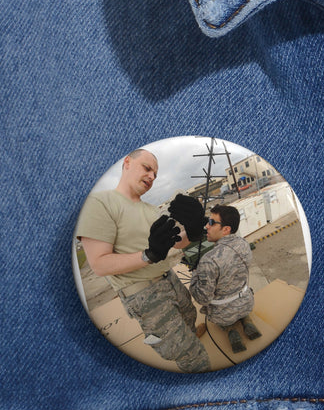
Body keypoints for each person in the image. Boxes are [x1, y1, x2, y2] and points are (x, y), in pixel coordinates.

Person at [75, 149, 211, 373]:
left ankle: (189, 337)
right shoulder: (100, 203)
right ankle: (191, 359)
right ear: (127, 162)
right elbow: (99, 264)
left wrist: (194, 230)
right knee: (192, 357)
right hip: (144, 295)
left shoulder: (149, 209)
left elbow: (175, 243)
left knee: (188, 317)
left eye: (155, 174)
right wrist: (149, 255)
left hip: (170, 280)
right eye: (147, 168)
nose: (151, 177)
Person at [189, 204, 261, 354]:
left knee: (224, 317)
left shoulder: (208, 260)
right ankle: (246, 321)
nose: (206, 226)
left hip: (222, 315)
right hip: (247, 303)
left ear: (226, 229)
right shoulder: (244, 244)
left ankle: (230, 329)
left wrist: (195, 275)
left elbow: (202, 299)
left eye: (211, 222)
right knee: (239, 305)